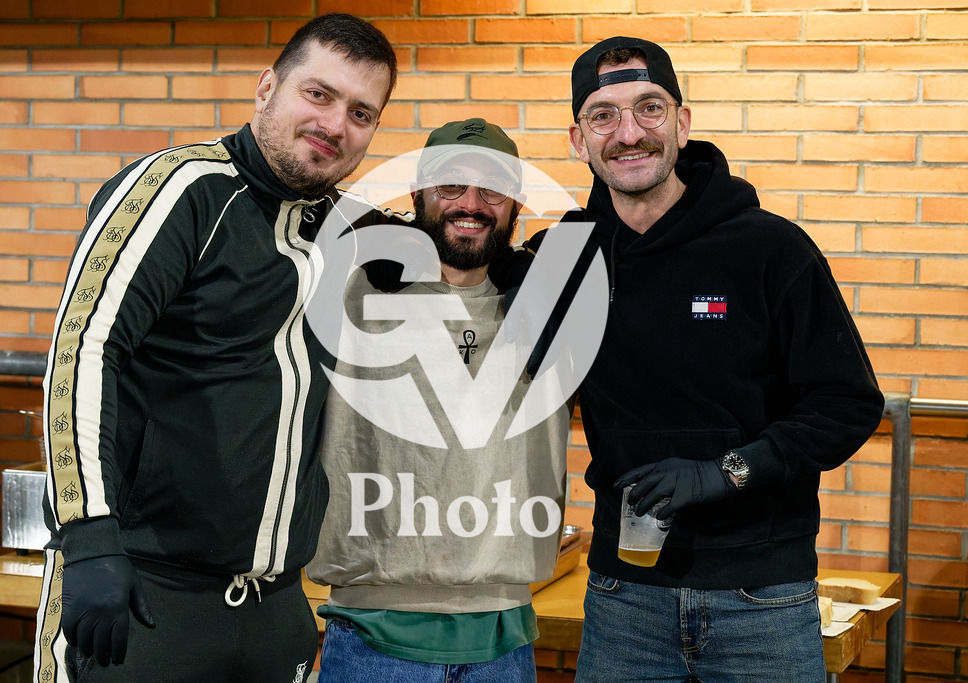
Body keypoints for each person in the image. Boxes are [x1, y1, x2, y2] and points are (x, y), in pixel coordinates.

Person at [32, 14, 397, 683]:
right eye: (317, 94)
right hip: (143, 593)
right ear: (266, 89)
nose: (335, 123)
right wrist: (87, 537)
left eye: (361, 112)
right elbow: (84, 350)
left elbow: (461, 261)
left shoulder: (350, 232)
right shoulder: (181, 190)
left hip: (275, 605)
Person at [519, 37, 884, 681]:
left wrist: (730, 471)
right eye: (603, 116)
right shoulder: (560, 260)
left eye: (649, 109)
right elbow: (471, 325)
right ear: (579, 140)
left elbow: (847, 402)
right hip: (621, 597)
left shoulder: (771, 249)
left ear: (682, 124)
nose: (628, 133)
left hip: (762, 600)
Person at [305, 118, 572, 682]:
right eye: (450, 185)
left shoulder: (551, 301)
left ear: (516, 203)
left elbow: (636, 215)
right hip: (374, 636)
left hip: (505, 637)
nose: (470, 203)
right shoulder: (352, 287)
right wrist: (367, 222)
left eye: (492, 189)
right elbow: (293, 184)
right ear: (418, 194)